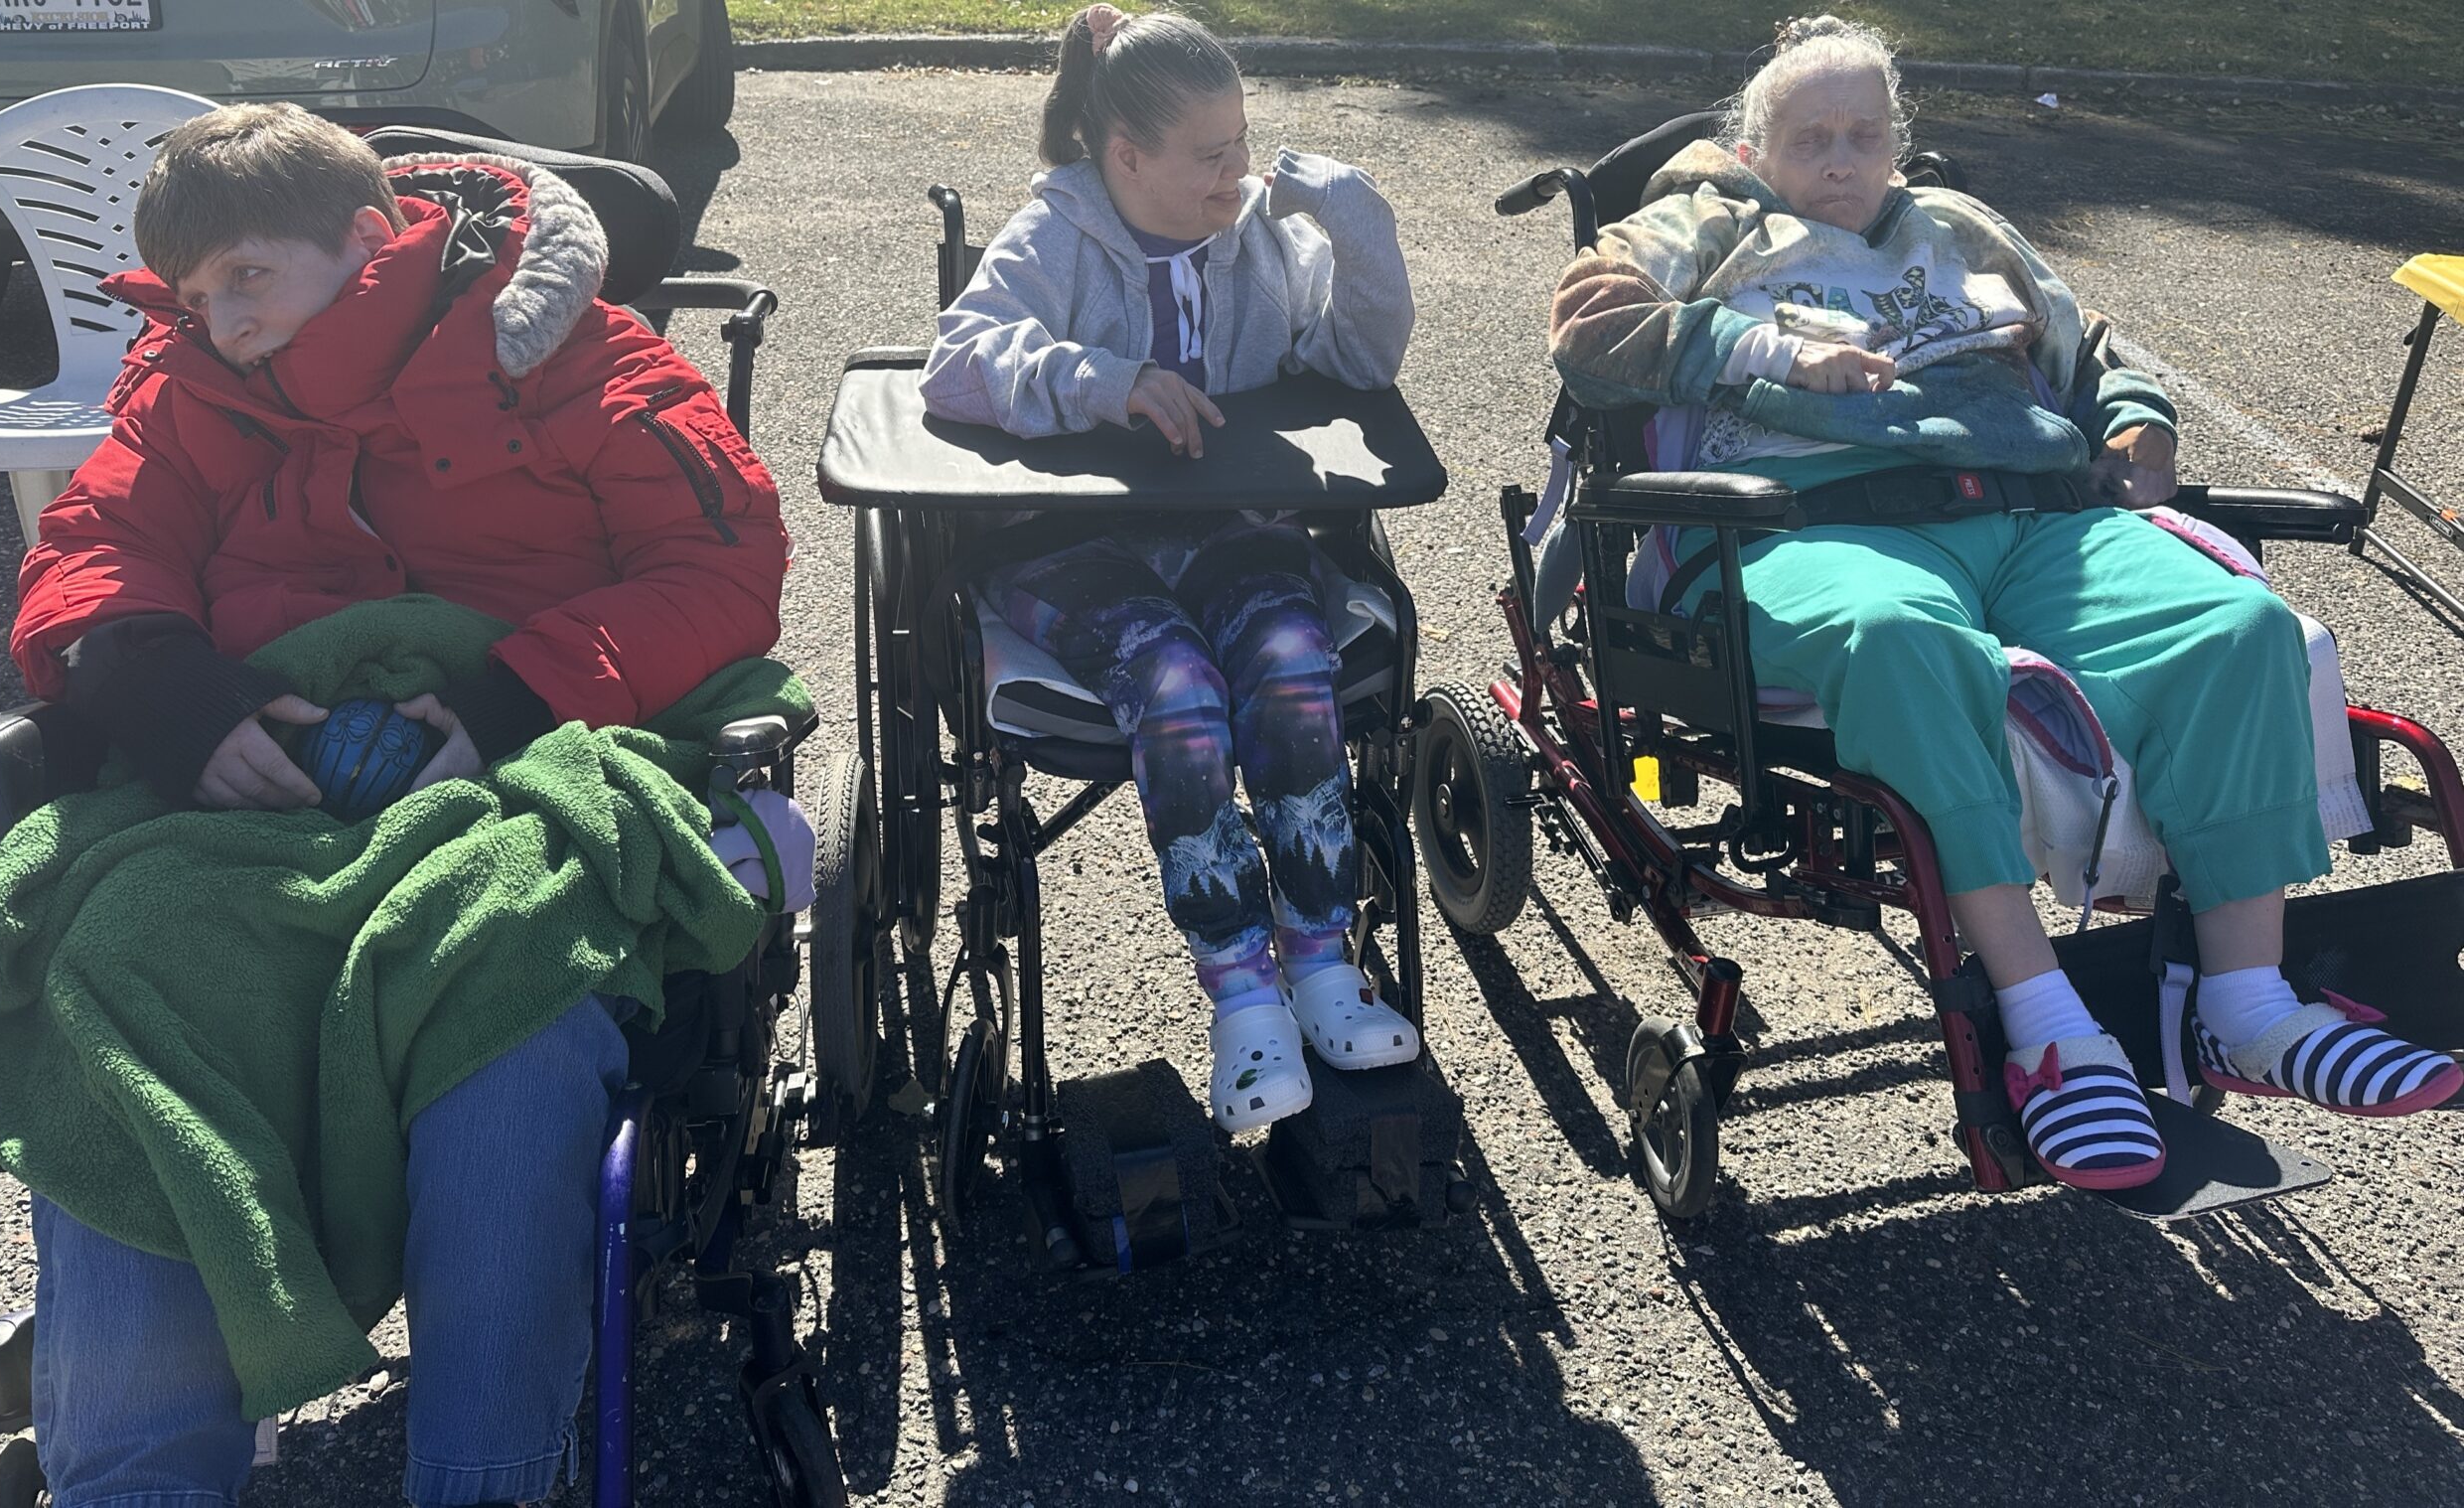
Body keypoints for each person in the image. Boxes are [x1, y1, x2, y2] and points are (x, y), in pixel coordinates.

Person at [4, 102, 790, 1506]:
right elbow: (97, 550)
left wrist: (510, 701)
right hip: (262, 785)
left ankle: (483, 1480)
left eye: (249, 275)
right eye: (195, 296)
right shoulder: (187, 387)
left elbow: (720, 563)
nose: (224, 321)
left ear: (372, 238)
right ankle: (134, 1487)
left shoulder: (578, 357)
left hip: (511, 765)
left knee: (509, 984)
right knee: (117, 964)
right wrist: (169, 692)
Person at [1547, 15, 2458, 1190]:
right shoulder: (1703, 225)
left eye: (1861, 135)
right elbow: (1589, 333)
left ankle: (2249, 1010)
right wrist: (1767, 352)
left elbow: (2092, 355)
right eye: (1807, 136)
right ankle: (2047, 1032)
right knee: (1902, 639)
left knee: (2239, 628)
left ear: (1895, 144)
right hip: (1806, 523)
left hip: (2028, 516)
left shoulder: (1962, 230)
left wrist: (2136, 422)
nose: (1837, 157)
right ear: (1756, 147)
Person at [921, 4, 1419, 1130]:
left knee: (1292, 655)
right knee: (1179, 682)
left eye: (1243, 142)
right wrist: (1104, 380)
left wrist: (1359, 235)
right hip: (1064, 543)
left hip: (1224, 525)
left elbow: (1349, 364)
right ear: (1124, 157)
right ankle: (1243, 997)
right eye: (1210, 154)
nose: (1237, 171)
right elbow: (956, 364)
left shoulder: (1256, 241)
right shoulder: (1056, 232)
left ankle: (1323, 964)